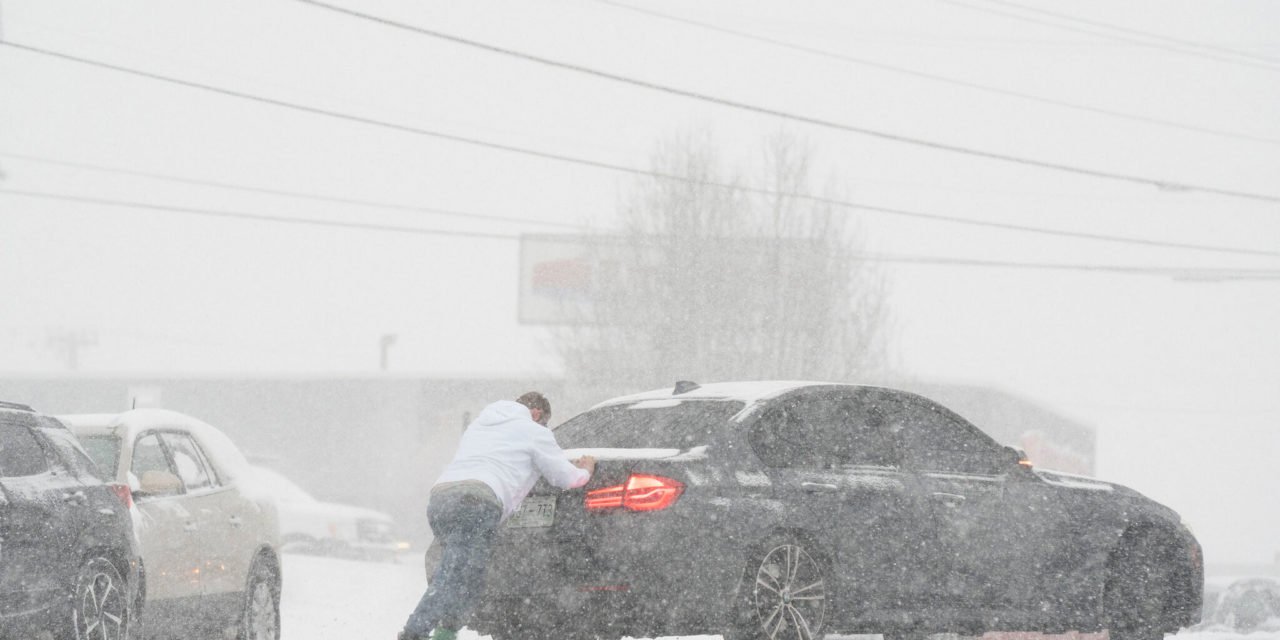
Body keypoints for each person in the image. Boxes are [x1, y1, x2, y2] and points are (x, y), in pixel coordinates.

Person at [399, 391, 595, 640]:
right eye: (545, 422)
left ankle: (445, 633)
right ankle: (415, 632)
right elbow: (563, 477)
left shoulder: (480, 425)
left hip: (441, 498)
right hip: (477, 501)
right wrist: (585, 471)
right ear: (536, 414)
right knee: (456, 574)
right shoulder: (533, 430)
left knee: (468, 576)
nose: (545, 427)